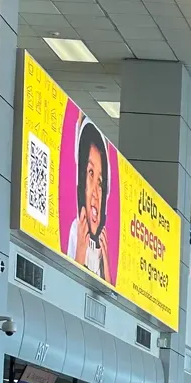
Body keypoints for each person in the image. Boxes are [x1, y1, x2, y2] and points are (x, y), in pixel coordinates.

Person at [67, 120, 113, 284]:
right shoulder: (74, 231)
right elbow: (68, 286)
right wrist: (80, 250)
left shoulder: (105, 247)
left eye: (100, 182)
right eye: (90, 173)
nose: (95, 192)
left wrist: (106, 263)